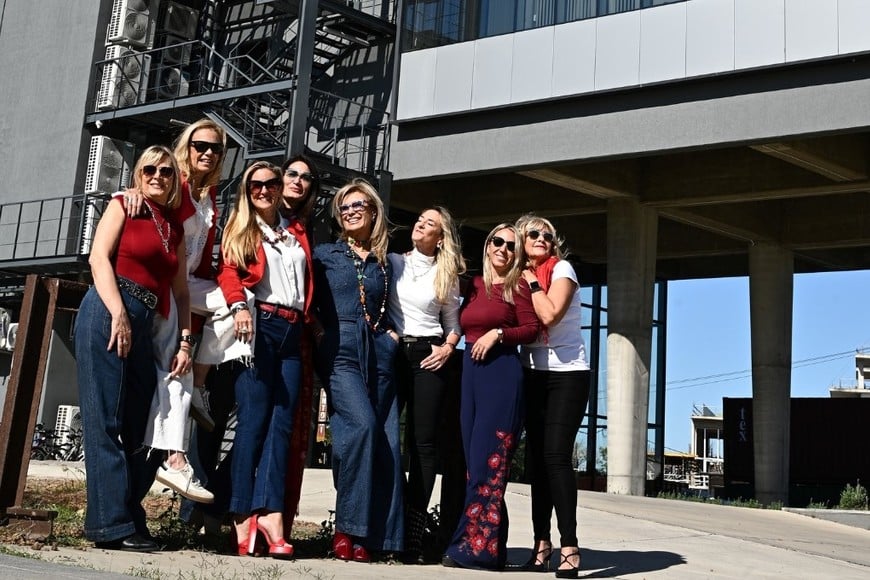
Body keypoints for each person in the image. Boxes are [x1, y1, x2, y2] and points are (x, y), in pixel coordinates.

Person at [75, 145, 192, 551]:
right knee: (104, 420)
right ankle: (111, 526)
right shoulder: (125, 204)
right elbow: (98, 258)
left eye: (166, 171)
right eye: (149, 169)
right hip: (110, 309)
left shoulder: (174, 227)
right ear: (138, 174)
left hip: (148, 323)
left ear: (176, 180)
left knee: (143, 426)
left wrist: (186, 339)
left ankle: (124, 513)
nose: (157, 176)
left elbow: (180, 291)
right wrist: (118, 313)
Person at [124, 119, 227, 503]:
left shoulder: (209, 196)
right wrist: (132, 191)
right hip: (164, 284)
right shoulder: (174, 180)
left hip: (188, 286)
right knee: (172, 367)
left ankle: (200, 381)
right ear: (187, 146)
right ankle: (175, 458)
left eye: (215, 148)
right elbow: (151, 187)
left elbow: (200, 260)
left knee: (239, 304)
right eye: (200, 145)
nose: (207, 152)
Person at [217, 161, 314, 558]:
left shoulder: (294, 231)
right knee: (254, 421)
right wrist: (239, 306)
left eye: (271, 183)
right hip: (259, 325)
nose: (264, 189)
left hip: (294, 331)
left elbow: (305, 282)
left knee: (282, 425)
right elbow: (228, 272)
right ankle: (242, 513)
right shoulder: (242, 228)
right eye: (256, 184)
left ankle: (271, 512)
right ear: (247, 189)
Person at [312, 178, 403, 562]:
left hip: (380, 350)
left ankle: (375, 537)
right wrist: (319, 332)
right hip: (341, 348)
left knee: (384, 443)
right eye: (344, 207)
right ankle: (347, 529)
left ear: (373, 211)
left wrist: (394, 336)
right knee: (361, 426)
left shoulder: (387, 260)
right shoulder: (325, 254)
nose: (350, 211)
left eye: (358, 205)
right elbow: (306, 297)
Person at [442, 223, 540, 570]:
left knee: (490, 462)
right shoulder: (474, 286)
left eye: (511, 246)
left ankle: (474, 549)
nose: (503, 248)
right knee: (475, 465)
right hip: (471, 378)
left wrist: (498, 333)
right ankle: (492, 548)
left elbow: (532, 328)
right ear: (487, 247)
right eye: (497, 242)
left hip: (502, 379)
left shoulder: (518, 287)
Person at [387, 207, 464, 563]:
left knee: (423, 443)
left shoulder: (446, 273)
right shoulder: (391, 261)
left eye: (430, 223)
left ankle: (414, 533)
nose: (420, 223)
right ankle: (387, 522)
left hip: (428, 354)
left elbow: (453, 323)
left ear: (440, 236)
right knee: (385, 436)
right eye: (420, 219)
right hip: (391, 349)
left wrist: (448, 348)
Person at [516, 214, 591, 579]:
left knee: (556, 456)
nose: (542, 237)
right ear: (521, 240)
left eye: (547, 233)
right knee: (535, 462)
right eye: (534, 233)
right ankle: (540, 544)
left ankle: (570, 546)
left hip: (568, 375)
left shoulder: (562, 269)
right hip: (532, 373)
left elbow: (548, 314)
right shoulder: (515, 275)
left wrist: (531, 280)